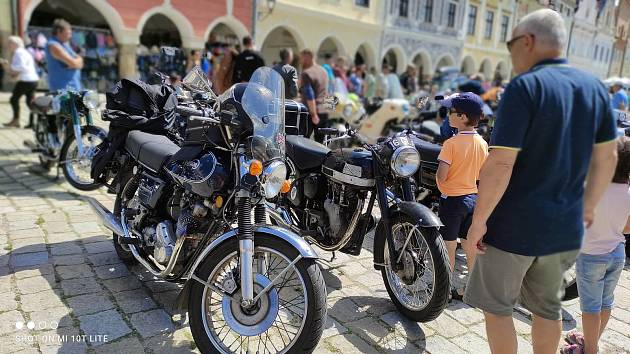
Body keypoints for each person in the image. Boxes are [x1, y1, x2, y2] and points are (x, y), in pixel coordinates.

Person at [463, 9, 619, 354]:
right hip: (564, 229)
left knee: (498, 307)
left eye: (511, 44)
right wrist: (588, 207)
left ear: (528, 42)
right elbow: (608, 158)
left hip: (513, 226)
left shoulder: (525, 87)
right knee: (547, 310)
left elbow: (501, 163)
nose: (511, 53)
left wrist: (477, 222)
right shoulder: (595, 88)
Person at [564, 137, 630, 354]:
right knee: (606, 303)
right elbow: (627, 229)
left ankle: (590, 349)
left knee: (590, 308)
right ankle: (592, 341)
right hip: (617, 253)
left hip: (591, 256)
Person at [435, 92, 489, 301]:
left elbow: (442, 174)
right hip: (472, 199)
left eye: (452, 112)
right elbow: (482, 174)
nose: (448, 114)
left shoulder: (451, 143)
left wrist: (443, 187)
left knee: (448, 245)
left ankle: (444, 289)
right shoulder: (482, 143)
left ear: (463, 117)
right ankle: (473, 288)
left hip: (452, 200)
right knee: (469, 244)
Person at [1, 36, 39, 128]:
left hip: (26, 80)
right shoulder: (23, 52)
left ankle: (16, 120)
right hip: (32, 79)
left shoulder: (18, 52)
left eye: (10, 43)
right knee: (30, 102)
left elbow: (21, 66)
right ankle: (33, 123)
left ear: (15, 44)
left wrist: (7, 65)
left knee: (14, 99)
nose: (8, 45)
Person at [299, 48, 329, 142]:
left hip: (311, 112)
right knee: (321, 143)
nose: (300, 61)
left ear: (307, 58)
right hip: (324, 110)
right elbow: (327, 92)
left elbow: (310, 94)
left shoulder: (306, 73)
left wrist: (314, 114)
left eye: (302, 58)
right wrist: (329, 110)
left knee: (304, 141)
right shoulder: (324, 71)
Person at [46, 19, 83, 92]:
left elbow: (80, 62)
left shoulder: (65, 44)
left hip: (74, 88)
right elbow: (74, 63)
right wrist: (76, 62)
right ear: (59, 31)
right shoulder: (54, 45)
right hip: (62, 91)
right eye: (68, 33)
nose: (70, 36)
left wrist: (77, 62)